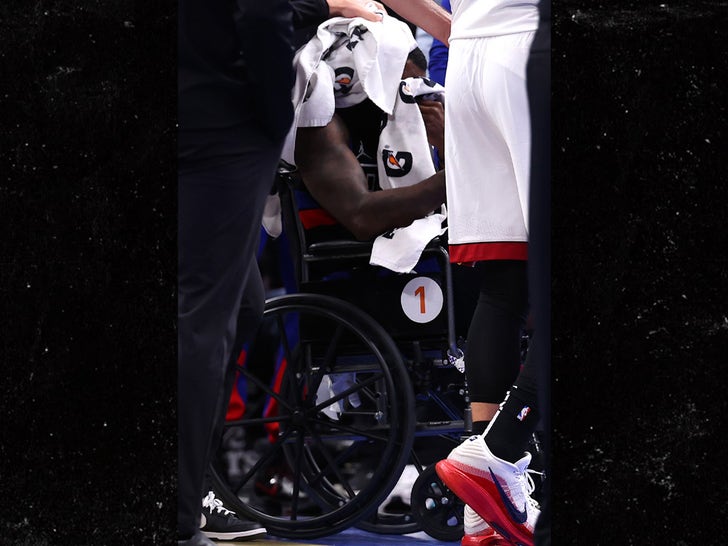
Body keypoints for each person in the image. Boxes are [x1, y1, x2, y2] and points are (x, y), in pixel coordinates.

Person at [418, 0, 551, 545]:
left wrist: (465, 33)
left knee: (505, 283)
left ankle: (485, 513)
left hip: (470, 56)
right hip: (529, 47)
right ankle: (499, 451)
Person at [178, 0, 296, 544]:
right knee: (204, 318)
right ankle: (180, 511)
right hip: (219, 123)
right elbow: (261, 15)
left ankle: (194, 484)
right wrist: (275, 119)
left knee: (242, 308)